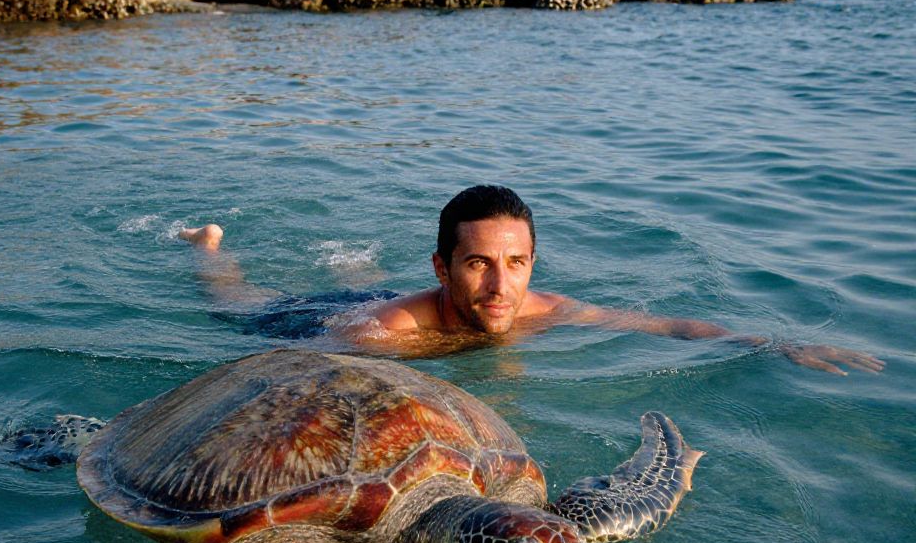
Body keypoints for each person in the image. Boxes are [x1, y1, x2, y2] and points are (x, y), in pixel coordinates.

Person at [179, 185, 884, 375]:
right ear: (445, 268)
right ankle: (206, 247)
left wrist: (774, 343)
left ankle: (353, 264)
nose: (500, 287)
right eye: (479, 263)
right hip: (335, 319)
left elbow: (672, 326)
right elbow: (303, 368)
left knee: (368, 284)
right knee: (237, 306)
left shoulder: (547, 310)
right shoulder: (385, 337)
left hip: (408, 305)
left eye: (515, 263)